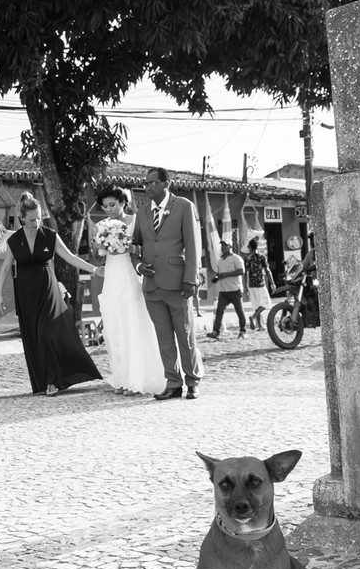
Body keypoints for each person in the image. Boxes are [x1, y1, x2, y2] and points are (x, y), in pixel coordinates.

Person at [0, 192, 103, 396]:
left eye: (38, 218)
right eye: (32, 219)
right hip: (26, 293)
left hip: (48, 289)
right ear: (22, 219)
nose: (36, 222)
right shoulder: (14, 240)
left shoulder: (50, 235)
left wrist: (94, 270)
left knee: (48, 333)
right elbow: (6, 267)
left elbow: (71, 257)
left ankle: (53, 380)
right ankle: (43, 381)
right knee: (35, 336)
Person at [130, 167, 204, 400]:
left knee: (185, 334)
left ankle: (192, 381)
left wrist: (191, 279)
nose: (148, 186)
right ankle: (173, 383)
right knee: (163, 337)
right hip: (151, 286)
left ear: (166, 183)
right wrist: (138, 266)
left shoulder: (183, 207)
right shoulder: (141, 213)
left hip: (178, 284)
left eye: (153, 182)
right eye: (146, 183)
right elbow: (135, 246)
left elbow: (193, 246)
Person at [92, 186, 162, 395]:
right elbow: (97, 257)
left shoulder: (134, 221)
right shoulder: (100, 226)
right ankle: (121, 379)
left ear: (123, 202)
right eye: (104, 206)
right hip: (112, 276)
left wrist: (128, 247)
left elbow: (144, 248)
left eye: (112, 205)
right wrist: (101, 248)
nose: (108, 210)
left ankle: (136, 380)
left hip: (129, 274)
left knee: (132, 324)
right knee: (115, 327)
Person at [206, 239, 247, 339]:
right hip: (223, 291)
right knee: (219, 311)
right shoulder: (219, 261)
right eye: (222, 245)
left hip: (235, 290)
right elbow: (219, 274)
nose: (223, 247)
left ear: (230, 247)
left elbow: (241, 271)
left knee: (239, 311)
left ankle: (243, 331)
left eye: (225, 245)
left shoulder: (236, 258)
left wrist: (226, 274)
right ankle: (216, 332)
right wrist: (216, 278)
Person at [245, 236, 274, 331]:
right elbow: (267, 270)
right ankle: (253, 317)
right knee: (266, 303)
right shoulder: (262, 257)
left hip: (251, 284)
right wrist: (272, 283)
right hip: (260, 283)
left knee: (257, 305)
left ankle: (260, 326)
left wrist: (246, 286)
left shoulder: (247, 259)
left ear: (250, 247)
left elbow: (246, 273)